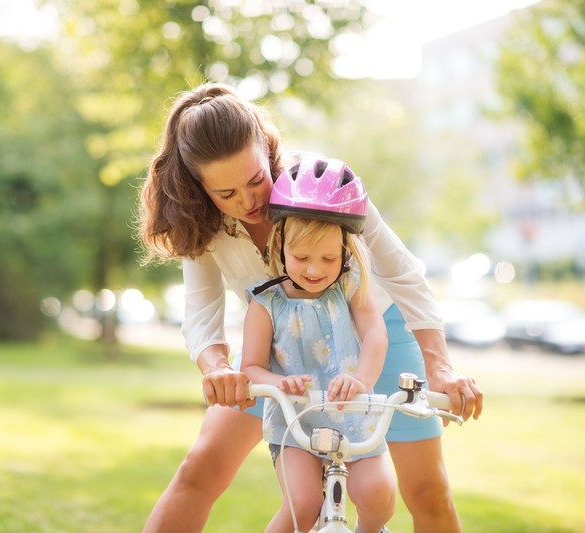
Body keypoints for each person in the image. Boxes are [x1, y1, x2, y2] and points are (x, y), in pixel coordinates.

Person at [137, 81, 483, 532]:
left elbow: (402, 273)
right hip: (283, 345)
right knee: (201, 467)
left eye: (255, 180)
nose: (249, 202)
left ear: (266, 146)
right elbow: (202, 315)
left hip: (374, 329)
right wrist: (217, 368)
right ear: (199, 187)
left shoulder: (322, 182)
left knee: (426, 493)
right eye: (226, 194)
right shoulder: (201, 225)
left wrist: (440, 367)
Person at [241, 158, 395, 533]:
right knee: (304, 505)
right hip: (296, 422)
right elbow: (250, 368)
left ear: (345, 251)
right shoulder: (266, 305)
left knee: (379, 496)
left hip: (353, 414)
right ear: (280, 244)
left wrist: (361, 380)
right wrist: (281, 384)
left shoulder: (349, 286)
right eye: (301, 257)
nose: (313, 269)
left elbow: (375, 334)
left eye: (327, 258)